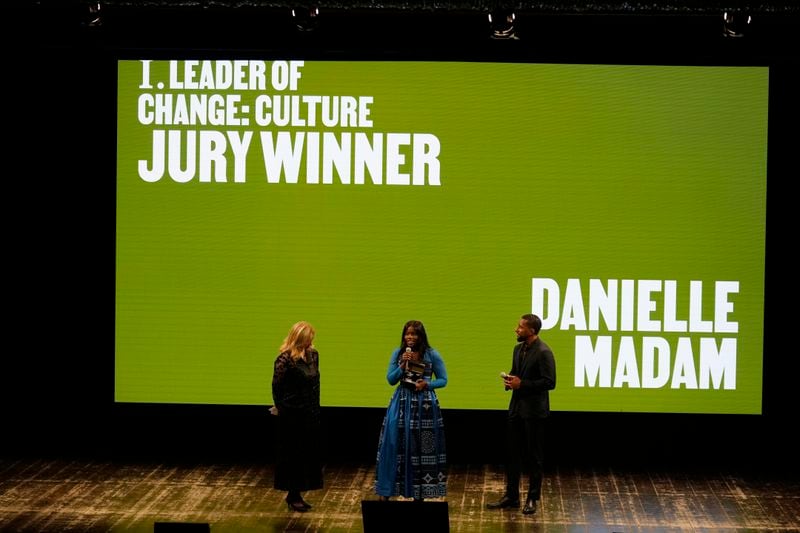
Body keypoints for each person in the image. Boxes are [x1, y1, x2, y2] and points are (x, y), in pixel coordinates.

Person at [487, 313, 556, 515]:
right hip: (516, 409)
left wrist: (522, 384)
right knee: (513, 455)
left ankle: (532, 498)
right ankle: (512, 496)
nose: (516, 329)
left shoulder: (544, 352)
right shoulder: (518, 349)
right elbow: (517, 372)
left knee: (534, 457)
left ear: (531, 330)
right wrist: (510, 381)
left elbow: (550, 382)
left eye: (520, 327)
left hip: (534, 412)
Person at [375, 320, 448, 501]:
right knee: (393, 443)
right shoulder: (398, 353)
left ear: (421, 336)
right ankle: (388, 491)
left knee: (420, 447)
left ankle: (419, 493)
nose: (410, 337)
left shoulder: (432, 354)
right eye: (407, 333)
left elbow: (443, 379)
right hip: (401, 402)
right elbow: (391, 380)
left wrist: (427, 384)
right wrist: (402, 365)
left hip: (424, 405)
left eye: (414, 334)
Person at [271, 321, 323, 512]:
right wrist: (283, 410)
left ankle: (297, 493)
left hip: (309, 413)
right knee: (292, 456)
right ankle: (293, 495)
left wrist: (315, 410)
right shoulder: (284, 360)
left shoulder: (314, 356)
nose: (312, 342)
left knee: (306, 455)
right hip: (291, 415)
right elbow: (277, 388)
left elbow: (316, 384)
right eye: (309, 338)